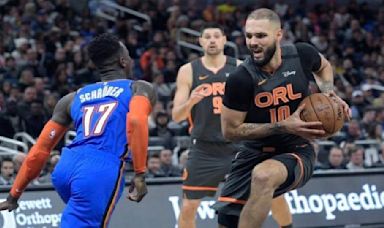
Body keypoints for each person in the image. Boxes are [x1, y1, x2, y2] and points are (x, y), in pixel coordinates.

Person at [0, 33, 156, 227]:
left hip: (65, 167)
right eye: (129, 55)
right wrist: (140, 173)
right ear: (123, 61)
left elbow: (39, 151)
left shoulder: (72, 98)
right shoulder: (139, 88)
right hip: (99, 169)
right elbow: (136, 120)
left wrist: (15, 194)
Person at [213, 8, 350, 228]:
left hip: (296, 150)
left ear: (278, 35)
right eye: (249, 36)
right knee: (227, 221)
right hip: (253, 153)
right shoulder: (240, 79)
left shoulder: (301, 54)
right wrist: (282, 125)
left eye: (260, 36)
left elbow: (324, 67)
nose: (253, 42)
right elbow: (230, 132)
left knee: (264, 176)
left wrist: (328, 94)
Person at [172, 22, 291, 228]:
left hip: (239, 145)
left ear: (224, 40)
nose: (211, 40)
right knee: (189, 205)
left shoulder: (239, 67)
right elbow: (176, 116)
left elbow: (260, 104)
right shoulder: (188, 70)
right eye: (207, 37)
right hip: (204, 148)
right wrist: (191, 101)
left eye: (216, 36)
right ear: (200, 42)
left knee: (271, 193)